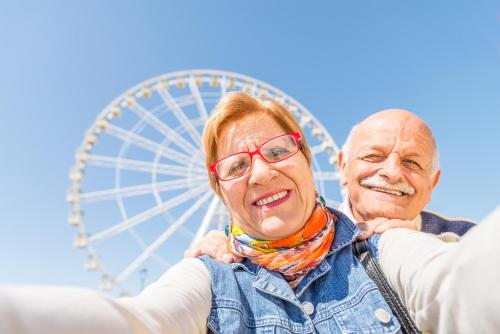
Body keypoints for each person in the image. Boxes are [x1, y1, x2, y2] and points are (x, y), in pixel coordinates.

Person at [0, 93, 496, 333]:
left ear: (310, 162)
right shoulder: (211, 275)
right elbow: (144, 321)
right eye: (236, 166)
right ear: (219, 191)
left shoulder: (383, 245)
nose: (260, 175)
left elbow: (457, 288)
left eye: (279, 151)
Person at [185, 108, 475, 262]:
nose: (391, 172)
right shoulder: (304, 243)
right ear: (342, 167)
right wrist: (235, 247)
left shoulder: (470, 239)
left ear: (433, 183)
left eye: (412, 163)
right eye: (374, 156)